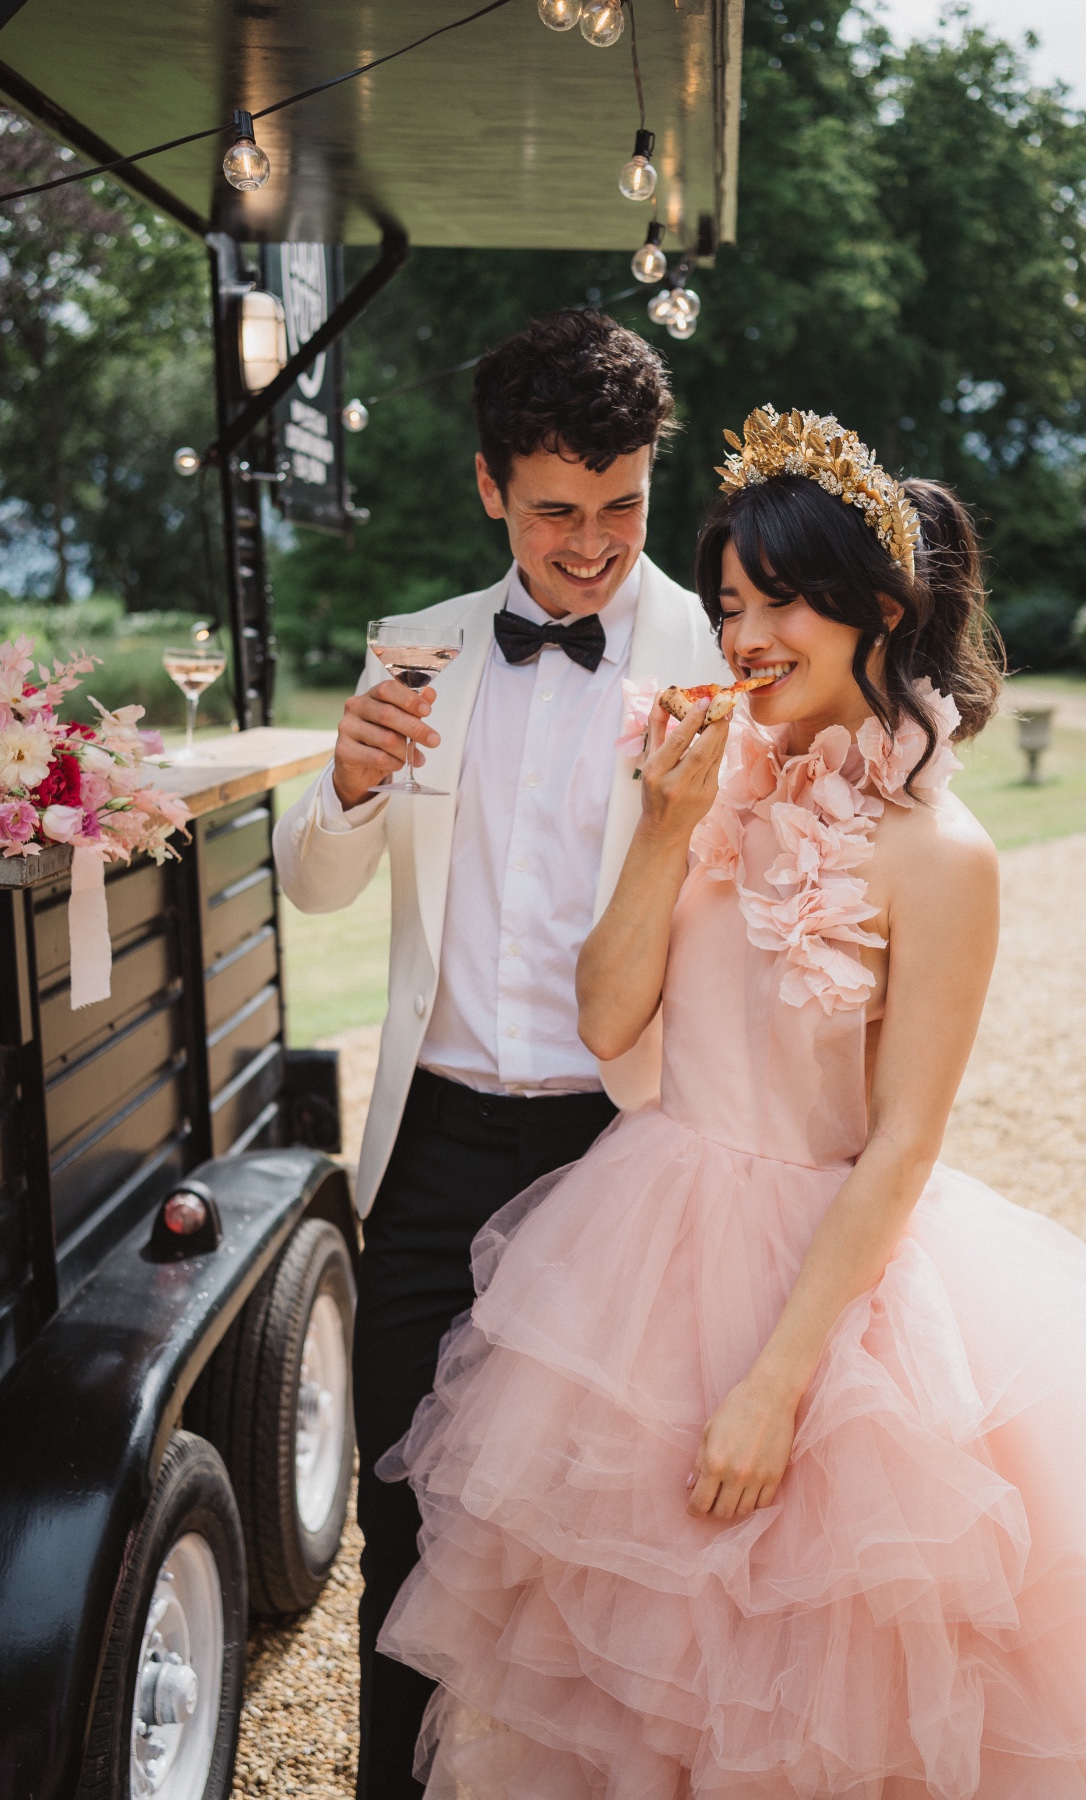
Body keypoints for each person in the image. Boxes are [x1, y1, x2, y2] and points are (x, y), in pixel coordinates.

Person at [376, 406, 1086, 1798]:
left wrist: (774, 1388)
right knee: (617, 1691)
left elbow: (906, 1143)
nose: (743, 641)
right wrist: (661, 830)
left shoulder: (945, 856)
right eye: (733, 605)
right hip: (642, 1270)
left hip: (832, 1311)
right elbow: (606, 1020)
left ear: (877, 609)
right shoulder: (713, 776)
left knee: (825, 1706)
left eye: (776, 609)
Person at [272, 308, 726, 1798]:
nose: (591, 548)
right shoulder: (423, 653)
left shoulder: (715, 656)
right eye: (554, 512)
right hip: (436, 1144)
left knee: (610, 1552)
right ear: (487, 488)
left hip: (624, 1156)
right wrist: (339, 790)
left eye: (621, 507)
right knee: (405, 1523)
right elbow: (319, 887)